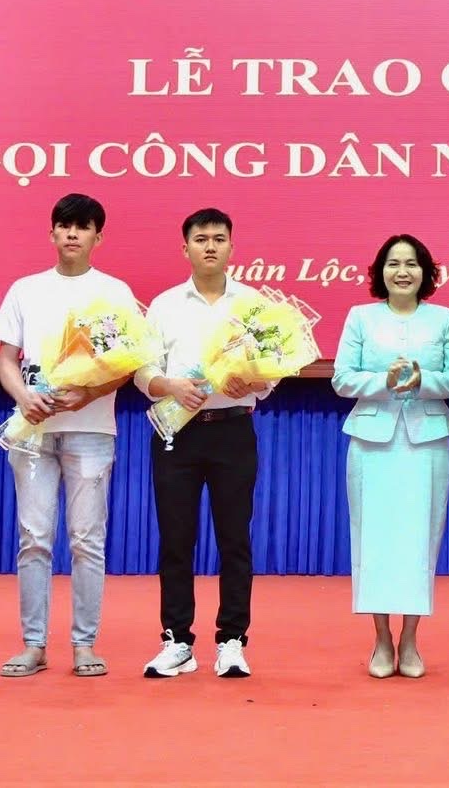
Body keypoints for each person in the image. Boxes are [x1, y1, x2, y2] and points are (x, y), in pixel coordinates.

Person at [0, 193, 138, 679]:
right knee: (33, 538)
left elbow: (128, 366)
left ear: (98, 236)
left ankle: (84, 644)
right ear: (52, 232)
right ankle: (33, 645)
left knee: (86, 540)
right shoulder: (25, 289)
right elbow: (5, 359)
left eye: (83, 226)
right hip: (32, 429)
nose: (72, 234)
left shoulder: (113, 292)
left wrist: (88, 392)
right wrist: (22, 396)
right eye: (64, 225)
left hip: (91, 430)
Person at [135, 208, 274, 680]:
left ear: (232, 246)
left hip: (233, 429)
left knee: (234, 539)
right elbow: (143, 370)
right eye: (200, 239)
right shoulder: (164, 305)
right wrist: (169, 386)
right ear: (185, 248)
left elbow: (272, 368)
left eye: (218, 238)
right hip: (178, 431)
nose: (210, 246)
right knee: (176, 539)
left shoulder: (252, 304)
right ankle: (177, 641)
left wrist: (252, 383)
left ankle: (232, 641)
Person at [331, 234, 449, 679]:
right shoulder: (361, 317)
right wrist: (382, 381)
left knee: (419, 539)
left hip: (426, 441)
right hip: (372, 441)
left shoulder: (444, 319)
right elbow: (341, 379)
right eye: (393, 263)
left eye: (411, 263)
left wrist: (424, 380)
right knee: (373, 539)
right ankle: (381, 639)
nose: (403, 271)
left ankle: (410, 639)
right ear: (381, 272)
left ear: (425, 272)